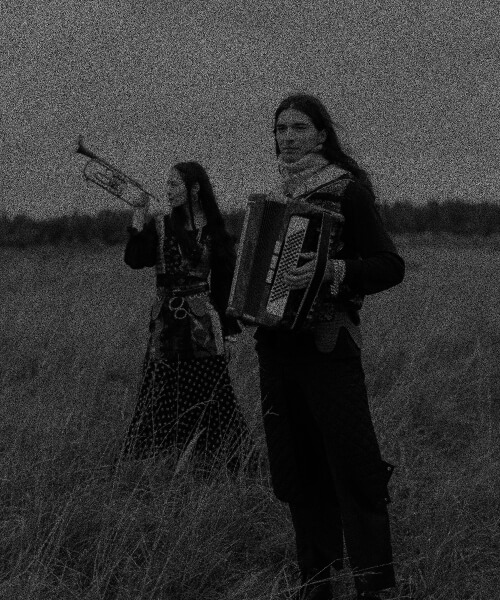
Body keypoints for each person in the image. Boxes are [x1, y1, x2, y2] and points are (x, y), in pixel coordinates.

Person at [254, 94, 405, 600]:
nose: (287, 137)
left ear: (321, 135)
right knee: (299, 471)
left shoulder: (348, 191)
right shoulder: (275, 198)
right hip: (278, 351)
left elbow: (389, 266)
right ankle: (316, 583)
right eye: (281, 129)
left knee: (354, 467)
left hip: (329, 347)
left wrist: (331, 270)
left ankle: (374, 585)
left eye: (299, 127)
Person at [122, 161, 252, 474]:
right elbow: (135, 260)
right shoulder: (161, 224)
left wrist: (230, 334)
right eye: (167, 184)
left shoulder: (215, 230)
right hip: (166, 322)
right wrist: (139, 212)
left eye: (174, 184)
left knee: (210, 391)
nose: (167, 191)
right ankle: (160, 463)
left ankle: (219, 462)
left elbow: (223, 286)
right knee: (160, 391)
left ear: (194, 189)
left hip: (202, 323)